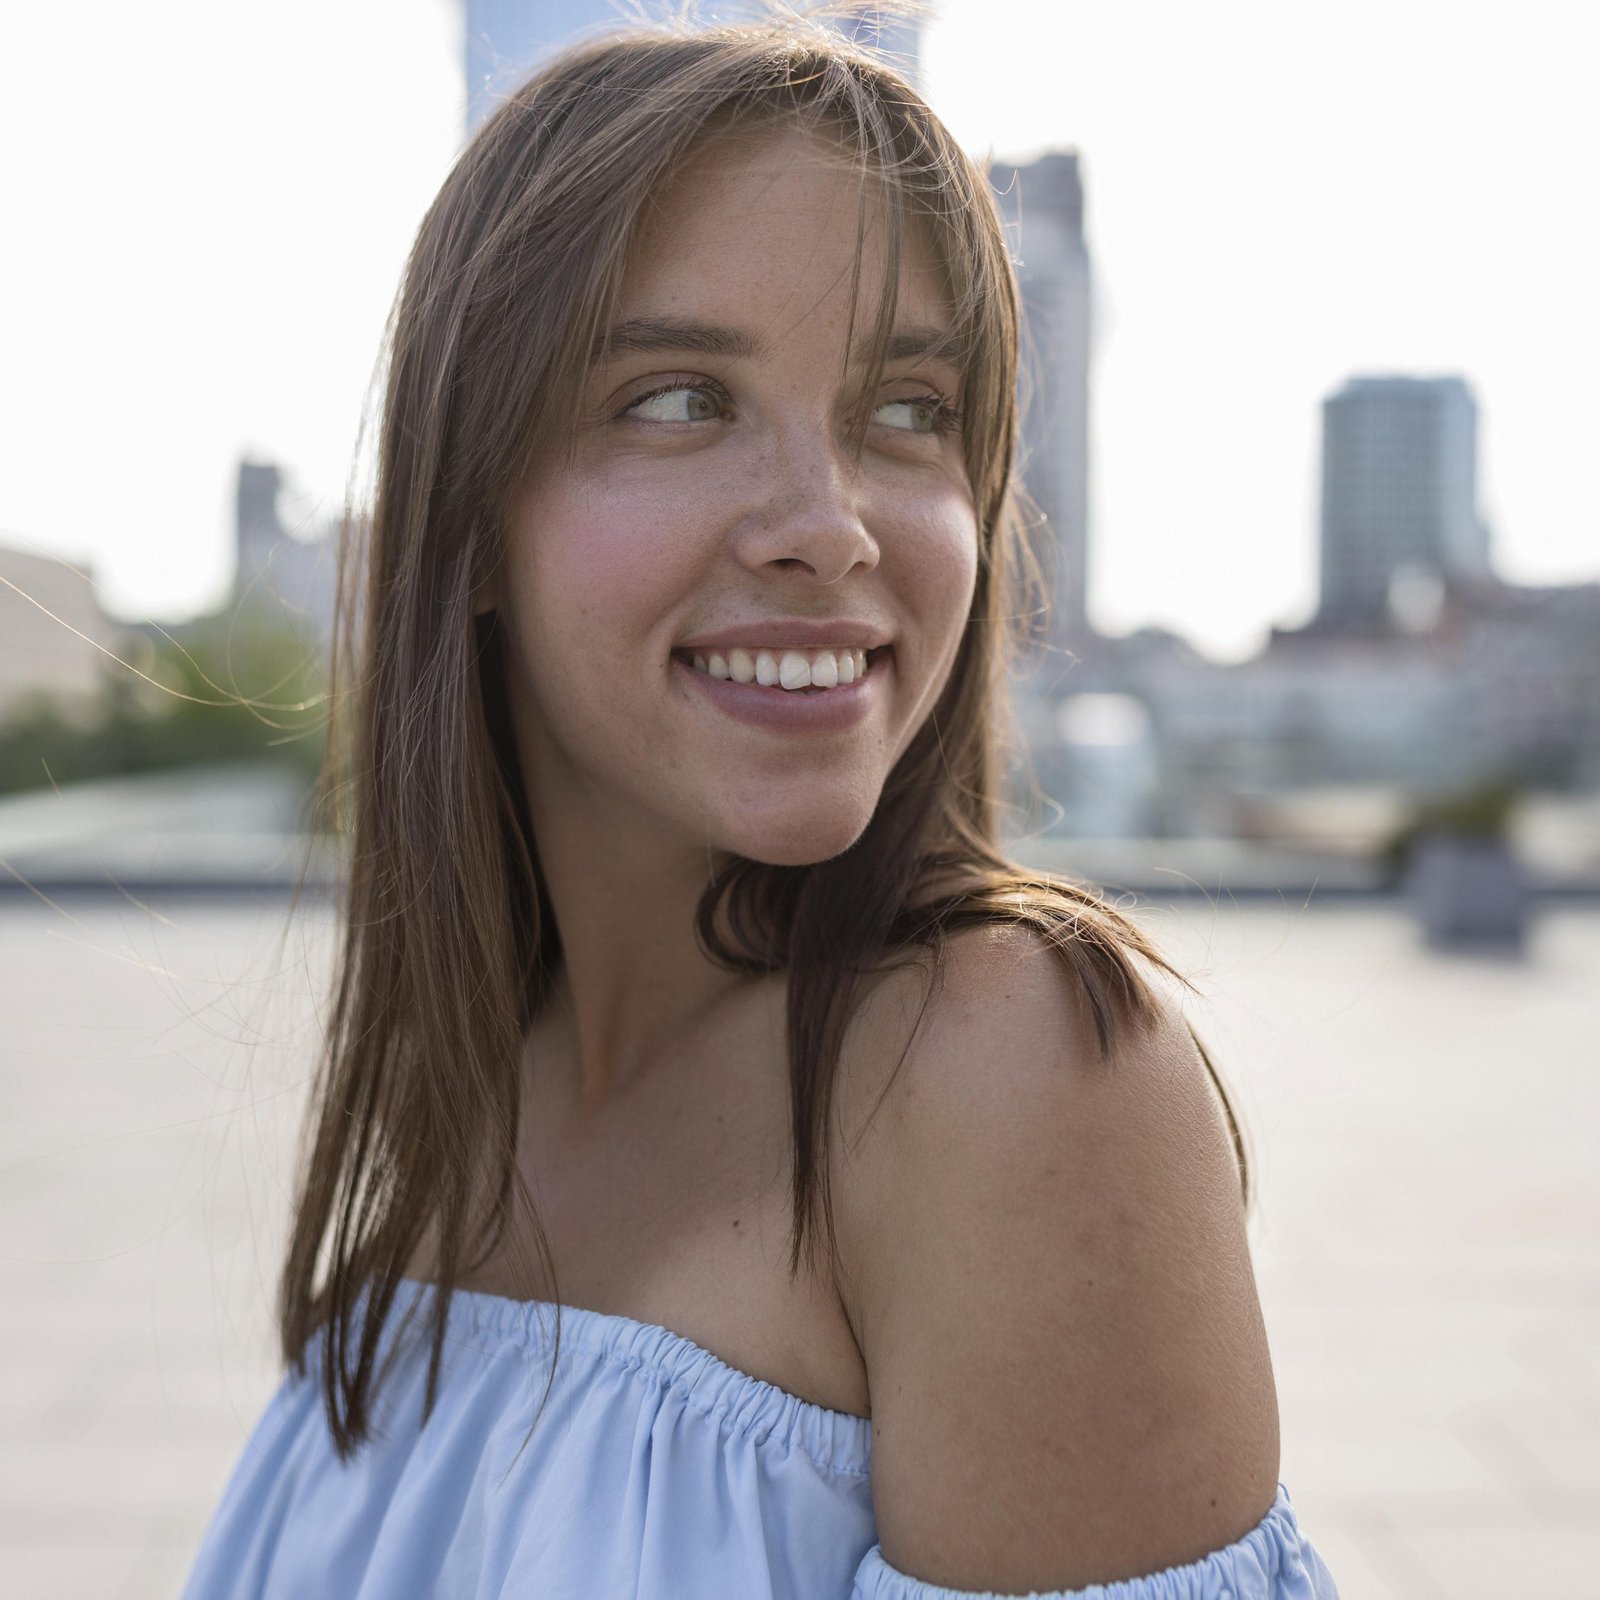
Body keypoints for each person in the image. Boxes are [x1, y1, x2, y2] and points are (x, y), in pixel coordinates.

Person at [181, 14, 1338, 1598]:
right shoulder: (477, 1084)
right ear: (470, 525)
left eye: (907, 411)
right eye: (676, 399)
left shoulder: (1008, 1083)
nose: (830, 524)